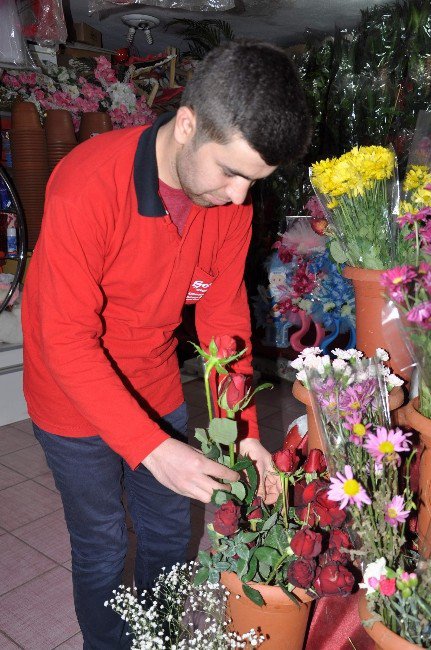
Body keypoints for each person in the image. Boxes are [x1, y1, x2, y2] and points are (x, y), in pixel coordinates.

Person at [21, 40, 311, 648]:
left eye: (252, 181)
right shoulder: (86, 186)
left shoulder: (228, 200)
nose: (238, 198)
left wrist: (247, 430)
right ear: (186, 125)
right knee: (102, 545)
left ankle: (154, 638)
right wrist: (153, 449)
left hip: (156, 384)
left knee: (168, 531)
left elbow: (222, 315)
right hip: (70, 402)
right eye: (231, 171)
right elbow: (65, 340)